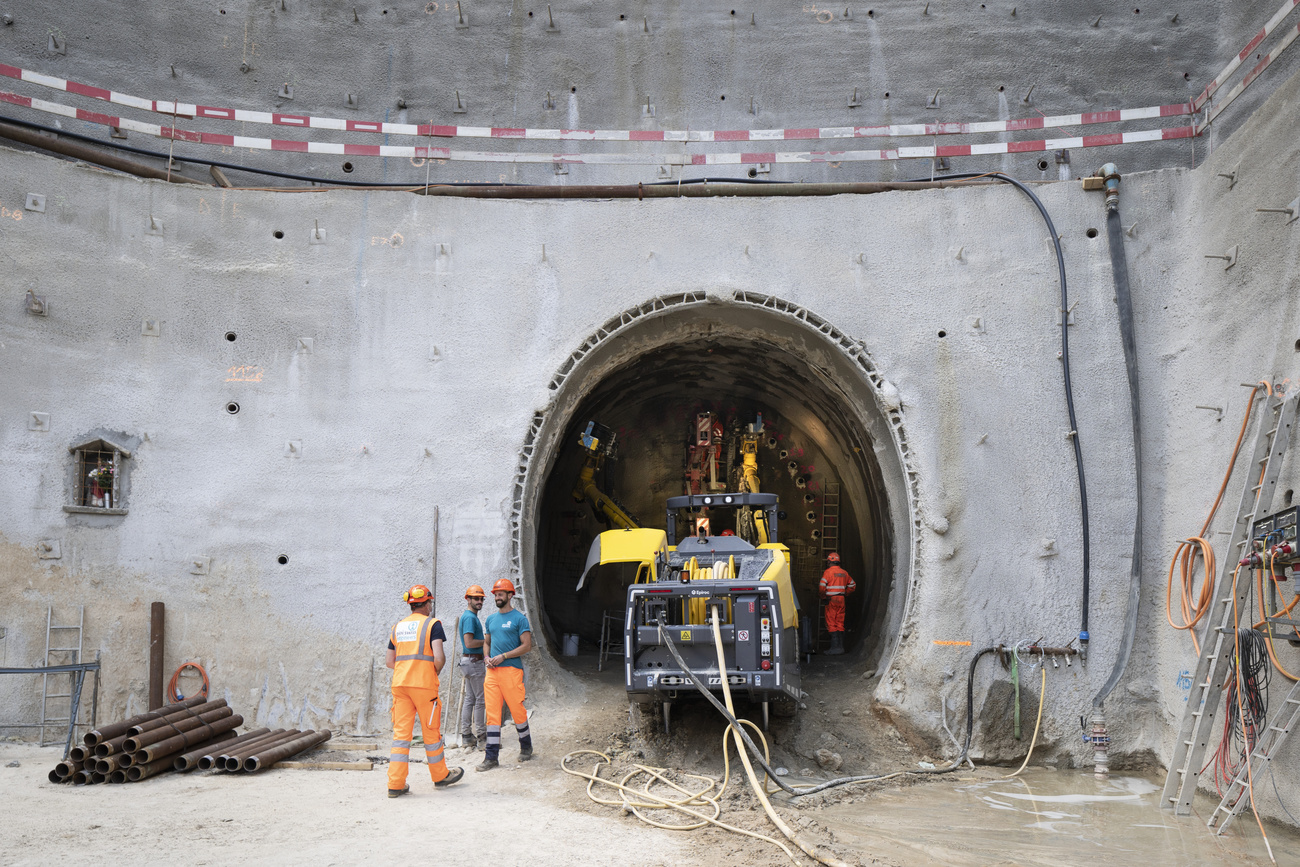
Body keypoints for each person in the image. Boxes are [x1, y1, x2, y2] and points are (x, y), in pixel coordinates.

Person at [384, 584, 465, 797]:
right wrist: (428, 674)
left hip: (400, 685)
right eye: (430, 603)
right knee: (431, 732)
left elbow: (389, 661)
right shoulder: (433, 625)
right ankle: (440, 776)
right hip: (424, 685)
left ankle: (396, 784)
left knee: (401, 736)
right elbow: (439, 658)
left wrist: (407, 669)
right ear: (427, 603)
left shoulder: (397, 627)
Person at [477, 578, 534, 771]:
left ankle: (526, 746)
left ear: (510, 595)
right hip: (492, 672)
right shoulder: (491, 619)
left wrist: (504, 656)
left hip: (511, 671)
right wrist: (486, 657)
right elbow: (486, 642)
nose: (497, 597)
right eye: (495, 594)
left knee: (517, 711)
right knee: (492, 715)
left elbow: (527, 646)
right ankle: (491, 757)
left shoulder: (519, 619)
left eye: (501, 594)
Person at [457, 585, 488, 749]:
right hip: (474, 662)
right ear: (468, 599)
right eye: (476, 598)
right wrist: (487, 641)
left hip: (467, 662)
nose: (479, 601)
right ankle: (482, 738)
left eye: (481, 598)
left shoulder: (470, 616)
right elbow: (469, 643)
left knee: (470, 699)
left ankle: (467, 735)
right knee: (481, 700)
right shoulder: (470, 618)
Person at [818, 553, 857, 655]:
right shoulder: (844, 573)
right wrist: (845, 594)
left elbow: (822, 587)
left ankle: (834, 648)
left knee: (831, 622)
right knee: (840, 623)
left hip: (831, 600)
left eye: (828, 562)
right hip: (841, 599)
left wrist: (823, 597)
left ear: (830, 562)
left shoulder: (828, 572)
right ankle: (841, 647)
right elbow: (853, 585)